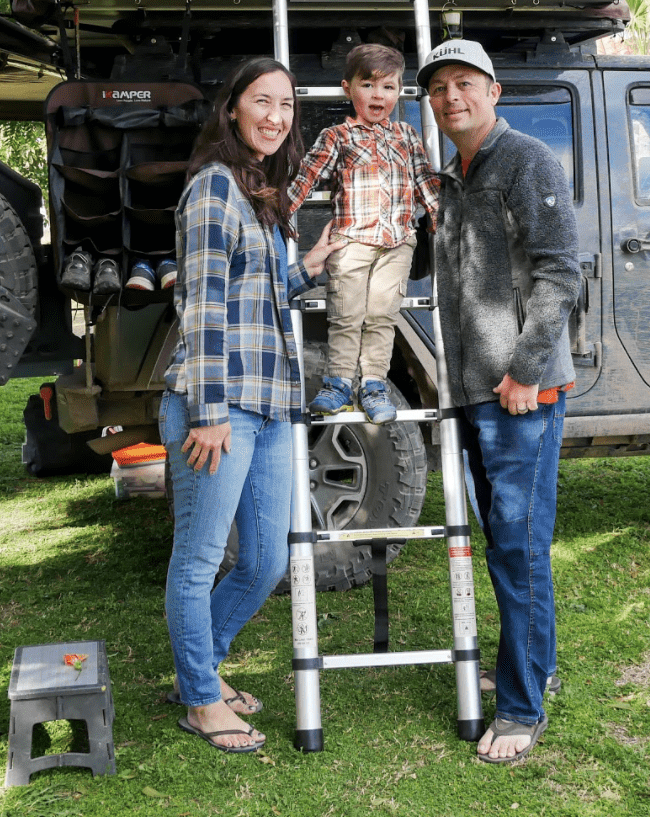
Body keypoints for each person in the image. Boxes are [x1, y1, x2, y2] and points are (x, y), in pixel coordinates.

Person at [160, 57, 344, 754]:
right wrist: (207, 410)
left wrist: (307, 268)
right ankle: (203, 699)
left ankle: (196, 671)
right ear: (232, 109)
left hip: (269, 406)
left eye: (287, 105)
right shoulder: (212, 189)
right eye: (262, 102)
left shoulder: (255, 196)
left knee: (266, 560)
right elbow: (203, 307)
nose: (276, 116)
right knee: (200, 557)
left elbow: (254, 299)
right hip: (220, 407)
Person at [418, 38, 580, 766]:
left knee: (517, 547)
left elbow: (559, 274)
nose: (452, 97)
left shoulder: (528, 161)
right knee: (508, 546)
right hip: (473, 392)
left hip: (520, 394)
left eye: (464, 84)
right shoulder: (454, 176)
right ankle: (534, 668)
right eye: (439, 89)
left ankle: (519, 708)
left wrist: (524, 371)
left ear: (493, 91)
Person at [287, 42, 441, 424]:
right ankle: (339, 382)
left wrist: (440, 214)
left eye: (388, 87)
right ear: (348, 89)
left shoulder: (406, 135)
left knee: (382, 314)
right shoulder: (337, 136)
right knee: (347, 313)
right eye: (369, 85)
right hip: (352, 241)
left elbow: (424, 180)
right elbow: (307, 176)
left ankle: (373, 383)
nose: (379, 95)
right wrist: (282, 213)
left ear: (398, 92)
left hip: (397, 242)